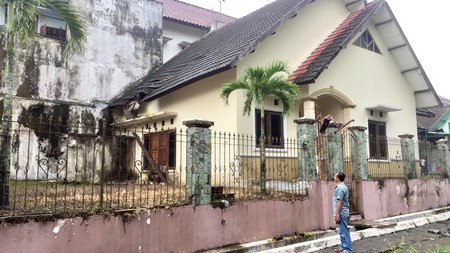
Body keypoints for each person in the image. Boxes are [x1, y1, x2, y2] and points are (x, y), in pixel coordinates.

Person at [333, 172, 352, 253]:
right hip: (342, 212)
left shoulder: (340, 188)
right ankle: (343, 247)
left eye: (335, 176)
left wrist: (337, 214)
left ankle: (347, 250)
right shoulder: (341, 187)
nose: (334, 177)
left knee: (344, 231)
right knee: (342, 231)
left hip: (341, 212)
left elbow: (339, 201)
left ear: (338, 178)